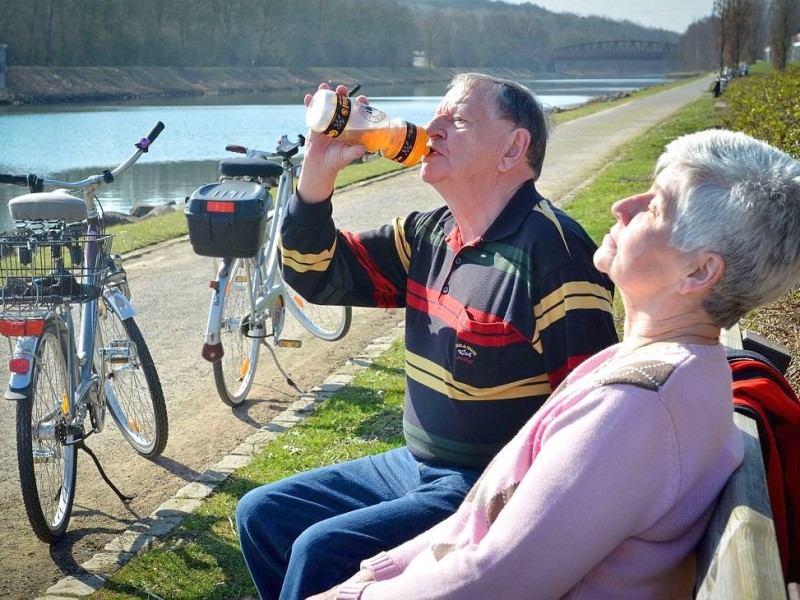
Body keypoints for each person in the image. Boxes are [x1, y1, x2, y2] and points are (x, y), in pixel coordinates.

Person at [307, 128, 800, 599]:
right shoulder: (658, 367)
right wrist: (377, 572)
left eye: (655, 206)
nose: (622, 206)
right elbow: (477, 531)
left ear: (699, 271)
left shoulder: (636, 409)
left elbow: (490, 582)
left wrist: (350, 594)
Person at [236, 73, 619, 600]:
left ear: (514, 148)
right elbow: (315, 273)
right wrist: (317, 170)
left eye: (457, 119)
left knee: (320, 549)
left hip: (490, 485)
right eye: (435, 114)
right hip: (416, 466)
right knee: (263, 515)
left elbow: (593, 423)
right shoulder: (431, 233)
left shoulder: (556, 255)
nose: (431, 127)